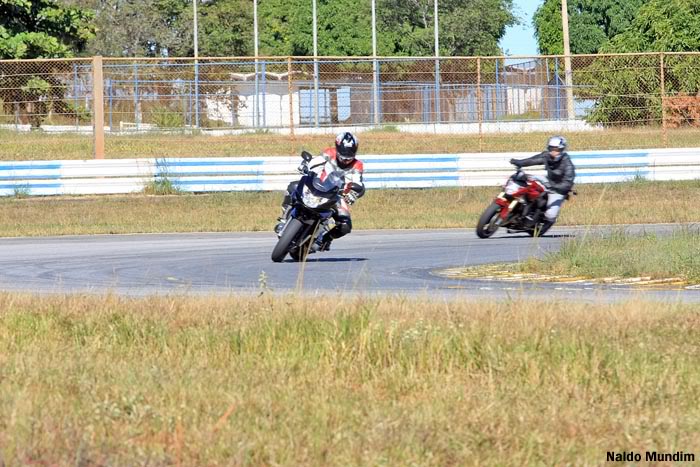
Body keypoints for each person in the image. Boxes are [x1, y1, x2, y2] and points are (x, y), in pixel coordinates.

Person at [275, 131, 365, 251]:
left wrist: (353, 193)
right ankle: (284, 218)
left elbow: (358, 182)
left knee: (345, 225)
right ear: (338, 147)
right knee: (293, 186)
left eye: (349, 153)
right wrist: (306, 166)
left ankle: (324, 239)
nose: (345, 157)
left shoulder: (357, 165)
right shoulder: (329, 153)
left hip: (338, 195)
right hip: (318, 185)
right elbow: (315, 162)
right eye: (343, 152)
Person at [509, 135, 576, 236]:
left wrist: (555, 187)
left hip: (559, 190)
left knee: (551, 214)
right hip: (548, 182)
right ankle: (520, 207)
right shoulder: (546, 156)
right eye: (551, 149)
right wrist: (519, 162)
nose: (554, 152)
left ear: (562, 150)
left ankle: (544, 224)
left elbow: (568, 182)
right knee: (528, 181)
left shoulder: (568, 164)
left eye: (557, 149)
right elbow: (533, 160)